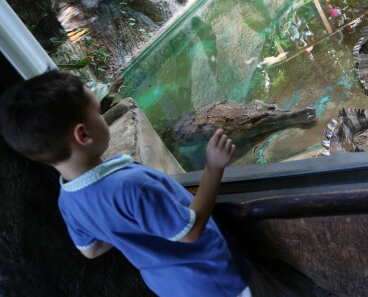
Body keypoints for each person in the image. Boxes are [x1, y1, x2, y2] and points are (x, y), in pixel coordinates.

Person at [0, 70, 251, 297]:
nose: (103, 117)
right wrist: (213, 168)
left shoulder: (67, 200)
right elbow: (191, 231)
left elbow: (91, 250)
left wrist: (125, 225)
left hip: (169, 286)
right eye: (98, 112)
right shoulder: (133, 185)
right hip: (211, 277)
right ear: (83, 134)